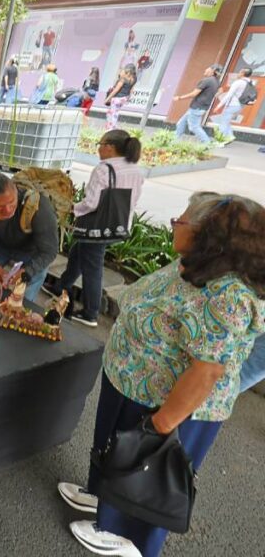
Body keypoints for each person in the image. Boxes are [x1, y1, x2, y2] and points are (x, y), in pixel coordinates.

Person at [61, 193, 265, 557]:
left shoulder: (226, 296)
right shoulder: (199, 263)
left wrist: (161, 424)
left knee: (147, 468)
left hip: (165, 404)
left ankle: (125, 537)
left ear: (210, 235)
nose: (175, 222)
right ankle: (100, 497)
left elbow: (208, 370)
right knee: (116, 449)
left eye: (182, 220)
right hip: (133, 383)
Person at [44, 130, 144, 328]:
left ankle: (90, 312)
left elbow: (91, 202)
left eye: (100, 144)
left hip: (96, 226)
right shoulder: (135, 169)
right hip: (117, 225)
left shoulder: (104, 169)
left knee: (92, 267)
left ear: (110, 147)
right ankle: (62, 287)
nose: (98, 148)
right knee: (77, 253)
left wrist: (73, 208)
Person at [0, 173, 58, 302]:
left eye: (11, 202)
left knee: (24, 291)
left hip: (31, 251)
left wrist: (28, 271)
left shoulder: (39, 207)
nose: (8, 210)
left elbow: (50, 250)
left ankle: (20, 309)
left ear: (16, 190)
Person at [174, 64, 222, 145]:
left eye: (207, 69)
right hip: (201, 107)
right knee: (181, 123)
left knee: (194, 127)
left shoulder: (207, 80)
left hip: (197, 107)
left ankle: (206, 142)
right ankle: (174, 140)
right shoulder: (216, 81)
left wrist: (179, 98)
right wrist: (212, 95)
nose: (205, 70)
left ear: (212, 71)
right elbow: (221, 90)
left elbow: (194, 94)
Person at [211, 67, 253, 144]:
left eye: (239, 72)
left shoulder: (238, 82)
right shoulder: (249, 83)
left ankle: (219, 141)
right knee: (226, 121)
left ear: (243, 73)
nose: (238, 73)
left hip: (232, 105)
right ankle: (230, 136)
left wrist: (218, 106)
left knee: (223, 122)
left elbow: (228, 95)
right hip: (240, 105)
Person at [103, 65, 135, 131]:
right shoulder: (133, 79)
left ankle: (111, 128)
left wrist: (107, 99)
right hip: (124, 98)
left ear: (127, 71)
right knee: (114, 112)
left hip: (117, 98)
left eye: (123, 70)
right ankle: (110, 127)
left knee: (113, 113)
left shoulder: (123, 79)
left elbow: (116, 90)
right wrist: (129, 97)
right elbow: (132, 89)